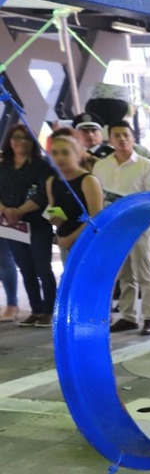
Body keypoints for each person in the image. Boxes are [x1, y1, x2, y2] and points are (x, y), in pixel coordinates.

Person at [93, 120, 150, 336]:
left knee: (144, 273)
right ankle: (129, 317)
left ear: (133, 138)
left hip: (139, 226)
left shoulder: (147, 166)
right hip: (113, 227)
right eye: (117, 135)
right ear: (110, 139)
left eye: (126, 135)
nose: (122, 139)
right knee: (123, 274)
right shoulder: (101, 166)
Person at [0, 124, 55, 325]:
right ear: (9, 141)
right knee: (25, 268)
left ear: (32, 142)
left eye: (25, 138)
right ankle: (36, 309)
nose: (20, 142)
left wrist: (20, 211)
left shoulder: (43, 166)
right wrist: (5, 210)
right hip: (11, 226)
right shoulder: (3, 165)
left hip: (38, 224)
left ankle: (49, 310)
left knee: (42, 267)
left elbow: (43, 195)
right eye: (16, 137)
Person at [44, 134, 103, 273]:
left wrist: (71, 238)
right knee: (70, 283)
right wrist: (54, 220)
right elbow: (54, 210)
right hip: (65, 241)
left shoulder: (88, 181)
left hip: (88, 241)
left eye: (65, 152)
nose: (59, 157)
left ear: (77, 155)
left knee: (87, 282)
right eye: (55, 153)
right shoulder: (51, 181)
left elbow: (96, 217)